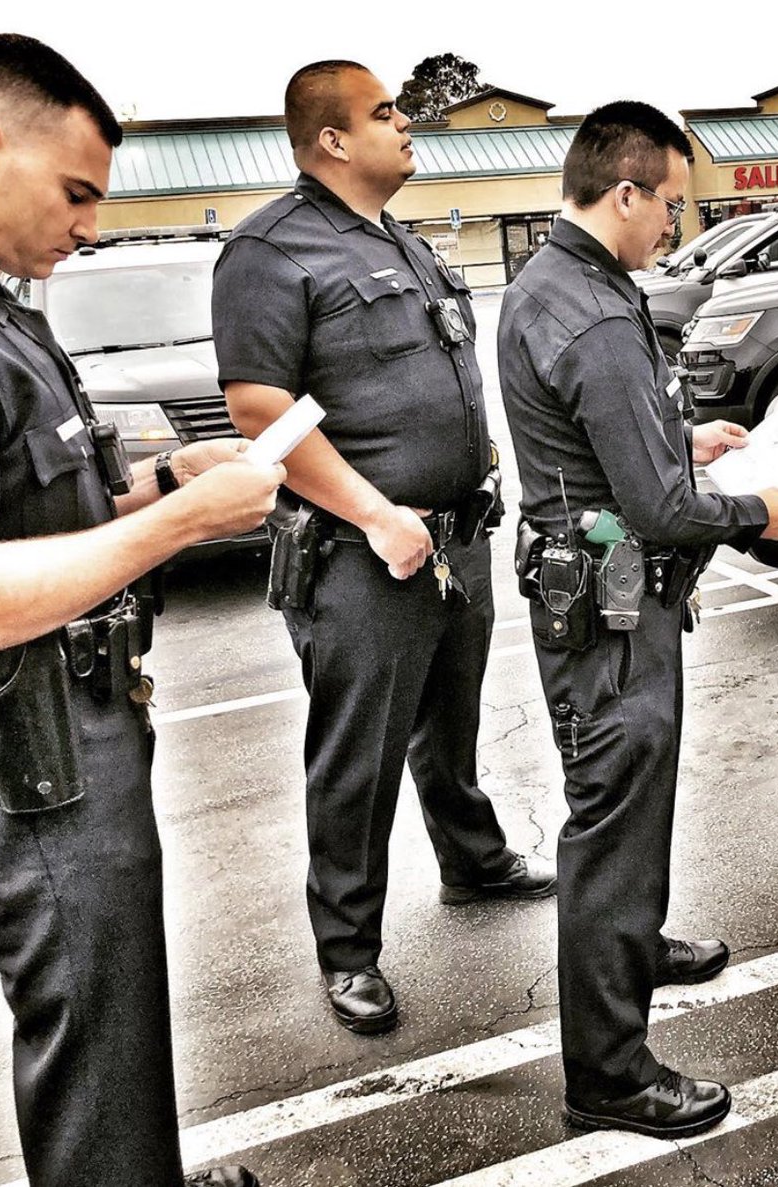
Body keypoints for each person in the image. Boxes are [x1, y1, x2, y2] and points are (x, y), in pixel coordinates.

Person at [0, 34, 281, 1187]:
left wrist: (157, 488)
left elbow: (36, 518)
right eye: (77, 192)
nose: (89, 225)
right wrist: (181, 528)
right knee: (91, 1033)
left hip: (72, 731)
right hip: (24, 761)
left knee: (116, 1017)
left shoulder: (2, 313)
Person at [211, 60, 555, 1038]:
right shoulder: (272, 252)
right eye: (384, 114)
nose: (408, 125)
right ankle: (349, 951)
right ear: (330, 141)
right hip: (361, 556)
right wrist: (371, 511)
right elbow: (262, 414)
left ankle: (474, 858)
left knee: (450, 724)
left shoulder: (400, 240)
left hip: (453, 541)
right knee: (355, 760)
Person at [497, 100, 778, 1138]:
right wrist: (758, 507)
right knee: (612, 823)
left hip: (600, 585)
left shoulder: (559, 280)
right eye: (669, 202)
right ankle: (610, 1072)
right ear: (623, 192)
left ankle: (634, 939)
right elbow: (659, 511)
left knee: (628, 806)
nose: (674, 223)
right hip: (609, 600)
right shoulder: (590, 308)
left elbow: (603, 442)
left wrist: (686, 437)